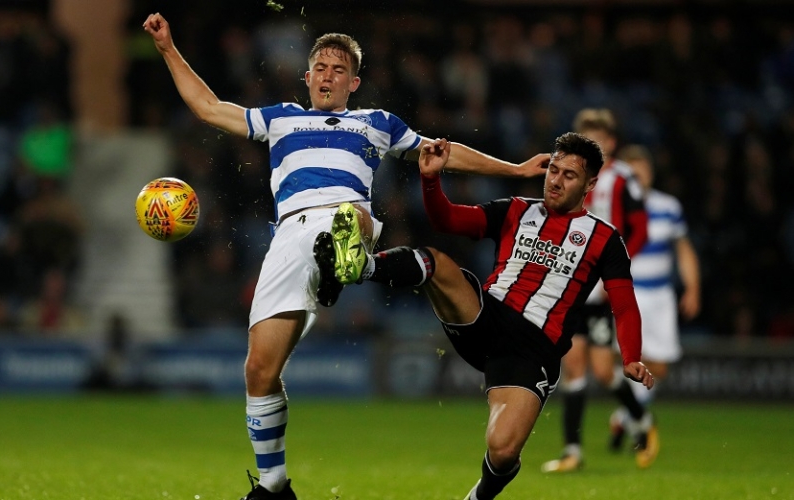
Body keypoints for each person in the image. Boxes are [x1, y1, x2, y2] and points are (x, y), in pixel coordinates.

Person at [142, 13, 549, 500]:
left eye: (339, 70)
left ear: (353, 83)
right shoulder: (279, 118)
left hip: (347, 214)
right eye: (321, 67)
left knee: (347, 218)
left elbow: (441, 153)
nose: (328, 75)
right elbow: (209, 108)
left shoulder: (377, 123)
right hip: (289, 238)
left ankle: (346, 256)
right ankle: (274, 485)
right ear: (307, 76)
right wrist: (167, 47)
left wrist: (515, 170)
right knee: (259, 371)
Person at [317, 133, 654, 500]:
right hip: (487, 316)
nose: (555, 181)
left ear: (590, 184)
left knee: (503, 450)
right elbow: (447, 219)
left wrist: (631, 356)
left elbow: (624, 303)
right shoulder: (516, 210)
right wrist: (430, 180)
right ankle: (360, 266)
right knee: (437, 263)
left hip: (532, 350)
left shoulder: (605, 239)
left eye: (568, 175)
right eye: (553, 170)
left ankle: (477, 497)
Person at [540, 108, 654, 473]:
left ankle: (643, 421)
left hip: (601, 287)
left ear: (612, 143)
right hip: (572, 283)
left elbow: (640, 228)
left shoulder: (621, 177)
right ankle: (572, 451)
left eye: (599, 140)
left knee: (604, 371)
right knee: (574, 367)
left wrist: (615, 268)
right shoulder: (568, 175)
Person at [608, 144, 700, 450]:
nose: (638, 176)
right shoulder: (613, 207)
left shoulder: (668, 206)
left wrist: (692, 288)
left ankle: (625, 416)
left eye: (642, 169)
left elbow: (683, 249)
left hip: (660, 296)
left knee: (659, 367)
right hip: (626, 293)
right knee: (615, 358)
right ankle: (634, 417)